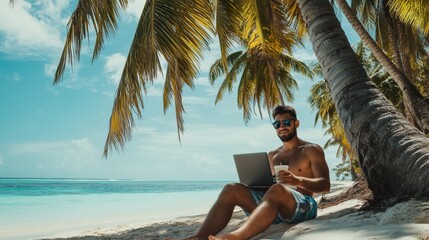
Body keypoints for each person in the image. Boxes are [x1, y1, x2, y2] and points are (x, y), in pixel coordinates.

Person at [180, 105, 331, 240]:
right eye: (277, 124)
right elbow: (267, 187)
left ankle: (235, 237)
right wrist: (255, 185)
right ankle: (198, 237)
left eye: (286, 122)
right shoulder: (273, 155)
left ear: (296, 123)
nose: (281, 127)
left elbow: (325, 185)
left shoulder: (311, 149)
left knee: (277, 189)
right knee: (231, 189)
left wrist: (297, 180)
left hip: (303, 206)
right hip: (273, 209)